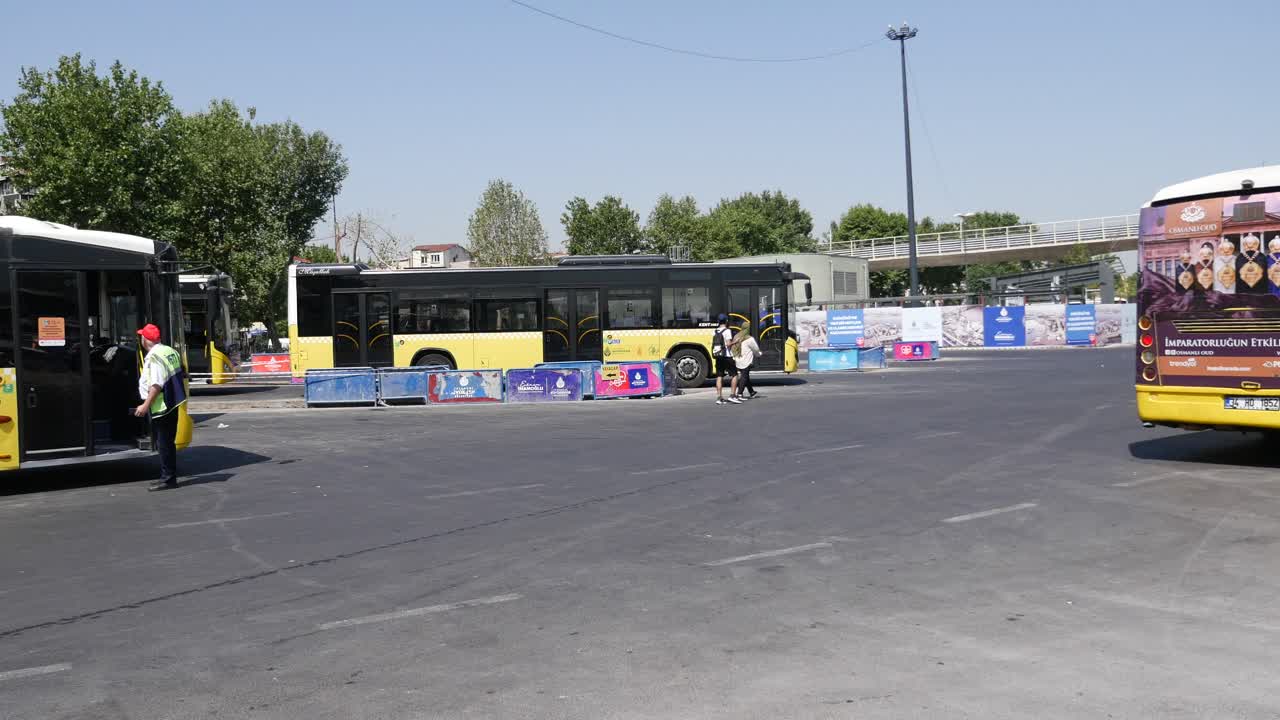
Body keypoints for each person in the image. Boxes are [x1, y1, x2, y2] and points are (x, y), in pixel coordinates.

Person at [134, 323, 188, 491]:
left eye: (142, 336)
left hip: (162, 406)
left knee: (164, 443)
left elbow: (156, 385)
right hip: (172, 402)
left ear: (145, 339)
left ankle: (169, 479)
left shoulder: (155, 357)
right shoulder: (170, 351)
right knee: (167, 442)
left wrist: (145, 405)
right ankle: (167, 476)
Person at [711, 314, 741, 405]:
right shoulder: (727, 331)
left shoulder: (715, 331)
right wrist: (736, 341)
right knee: (735, 375)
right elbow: (728, 344)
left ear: (718, 321)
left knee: (719, 376)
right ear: (726, 321)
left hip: (718, 356)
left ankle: (719, 398)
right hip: (727, 356)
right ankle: (732, 395)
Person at [732, 324, 761, 400]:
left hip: (737, 359)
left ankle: (751, 392)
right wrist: (759, 354)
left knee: (745, 376)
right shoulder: (749, 339)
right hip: (746, 361)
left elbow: (733, 347)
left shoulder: (736, 336)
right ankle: (739, 394)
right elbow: (756, 349)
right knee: (744, 377)